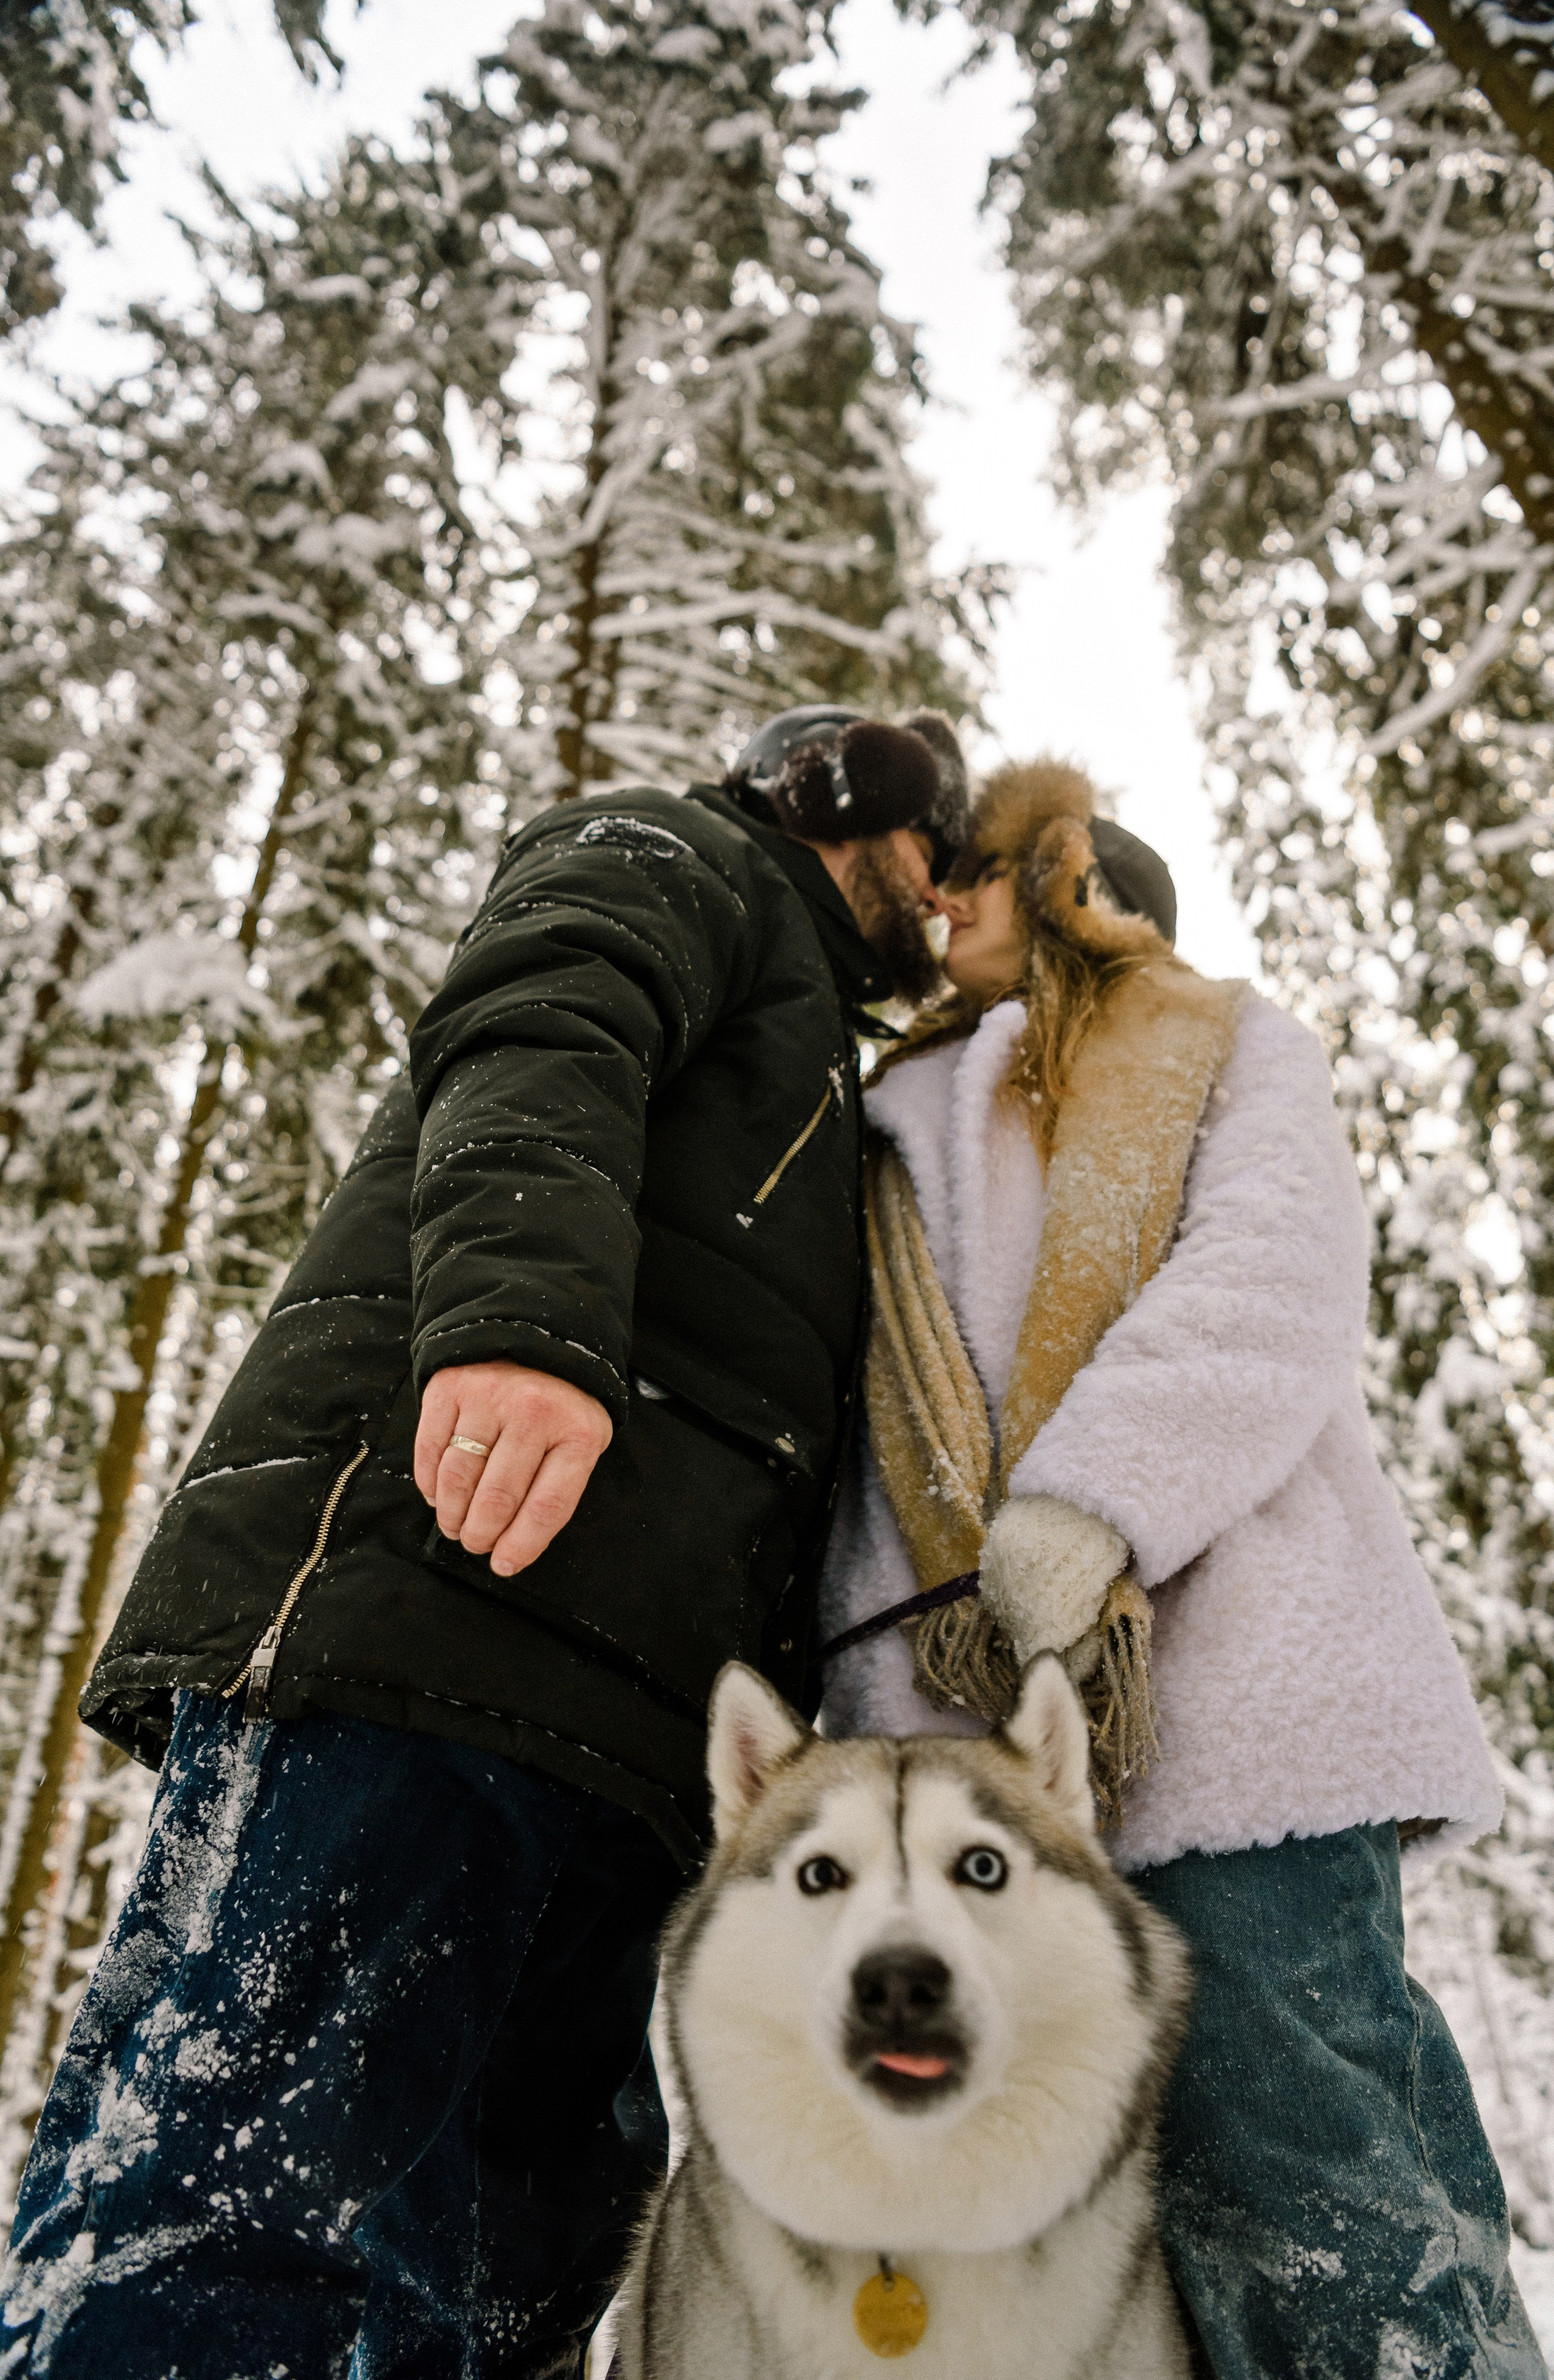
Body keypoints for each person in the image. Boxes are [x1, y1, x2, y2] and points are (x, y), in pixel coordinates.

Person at [1, 704, 969, 2379]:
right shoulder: (686, 856)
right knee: (249, 2209)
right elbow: (549, 1007)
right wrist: (524, 1311)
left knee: (504, 2283)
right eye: (933, 851)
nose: (947, 900)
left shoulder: (833, 1059)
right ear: (845, 793)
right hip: (428, 1621)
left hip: (629, 1750)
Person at [819, 758, 1546, 2380]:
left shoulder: (1224, 1042)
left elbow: (1274, 1265)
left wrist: (1098, 1502)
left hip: (1232, 1701)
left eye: (989, 872)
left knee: (1316, 2192)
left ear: (1081, 886)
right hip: (966, 1753)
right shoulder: (884, 1110)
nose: (945, 898)